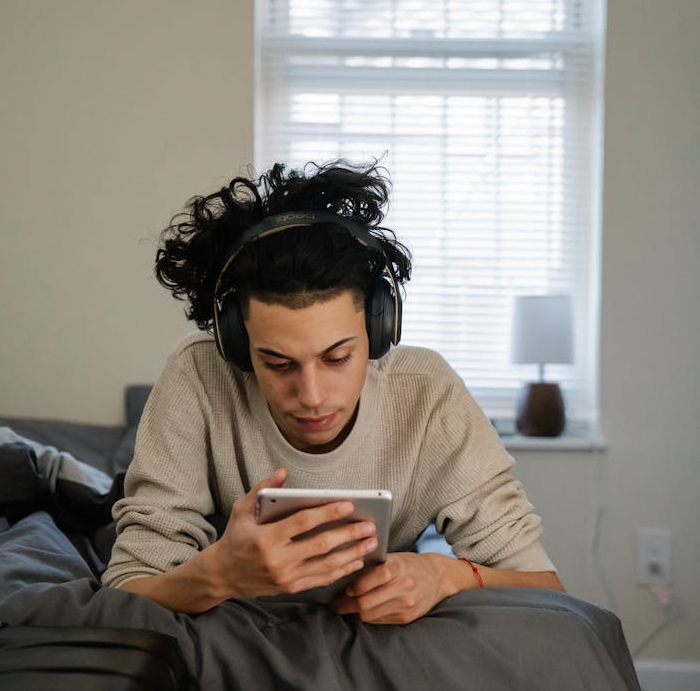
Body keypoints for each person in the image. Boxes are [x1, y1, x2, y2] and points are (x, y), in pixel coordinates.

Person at [103, 160, 563, 623]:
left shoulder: (427, 394)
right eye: (277, 363)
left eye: (337, 358)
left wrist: (445, 575)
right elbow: (127, 593)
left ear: (377, 331)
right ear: (237, 345)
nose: (312, 396)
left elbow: (546, 587)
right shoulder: (199, 377)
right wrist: (220, 575)